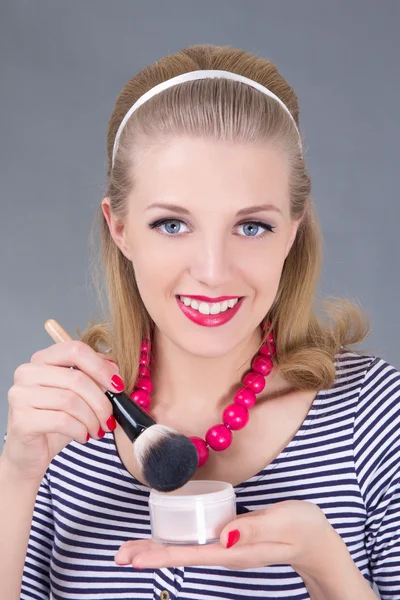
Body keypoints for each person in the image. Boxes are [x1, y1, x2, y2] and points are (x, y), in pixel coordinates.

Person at [1, 43, 399, 600]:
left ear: (292, 231)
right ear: (119, 229)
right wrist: (17, 473)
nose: (213, 272)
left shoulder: (377, 418)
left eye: (253, 226)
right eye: (171, 224)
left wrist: (329, 570)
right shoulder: (63, 431)